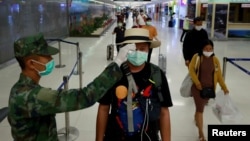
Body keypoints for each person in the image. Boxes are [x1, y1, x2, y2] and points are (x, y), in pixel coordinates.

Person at [8, 33, 132, 141]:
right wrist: (117, 63)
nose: (51, 59)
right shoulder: (31, 96)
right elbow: (83, 97)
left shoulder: (20, 88)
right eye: (47, 57)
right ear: (31, 63)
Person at [95, 28, 172, 141]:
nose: (137, 53)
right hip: (116, 135)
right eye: (132, 49)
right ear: (124, 49)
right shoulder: (113, 73)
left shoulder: (156, 74)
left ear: (148, 50)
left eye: (142, 49)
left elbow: (164, 112)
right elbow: (103, 108)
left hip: (148, 136)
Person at [188, 39, 229, 141]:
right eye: (206, 48)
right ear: (202, 49)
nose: (208, 50)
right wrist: (197, 83)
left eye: (210, 48)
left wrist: (224, 87)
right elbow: (191, 70)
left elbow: (219, 75)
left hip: (209, 89)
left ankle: (196, 117)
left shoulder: (215, 60)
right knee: (200, 110)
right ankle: (201, 134)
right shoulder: (197, 57)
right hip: (197, 88)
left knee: (199, 108)